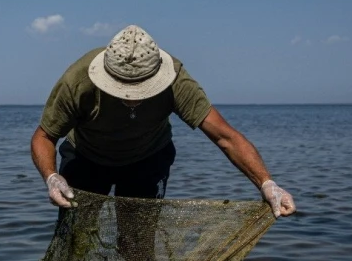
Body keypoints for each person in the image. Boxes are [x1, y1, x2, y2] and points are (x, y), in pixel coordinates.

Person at [30, 24, 296, 218]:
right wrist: (52, 177)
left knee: (137, 245)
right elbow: (44, 136)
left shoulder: (176, 80)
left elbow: (225, 137)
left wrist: (267, 183)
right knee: (77, 237)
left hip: (147, 158)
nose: (132, 98)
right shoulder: (78, 81)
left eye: (141, 89)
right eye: (122, 88)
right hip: (86, 156)